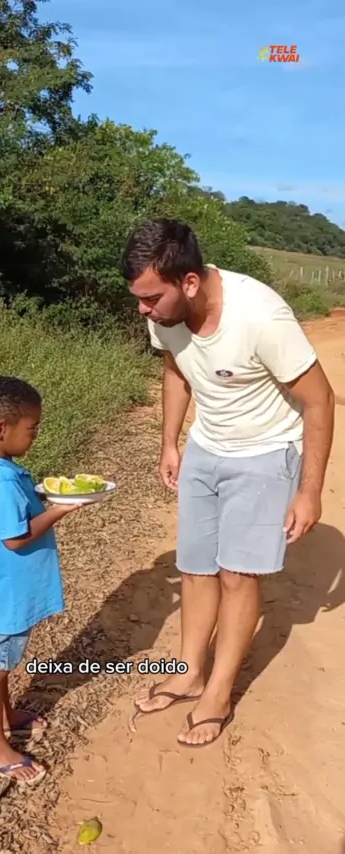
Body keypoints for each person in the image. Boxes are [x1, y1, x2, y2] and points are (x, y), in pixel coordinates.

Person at [121, 219, 335, 748]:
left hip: (266, 452)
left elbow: (319, 400)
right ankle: (190, 672)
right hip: (206, 447)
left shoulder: (260, 316)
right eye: (139, 298)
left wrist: (309, 490)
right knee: (195, 567)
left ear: (190, 282)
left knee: (238, 574)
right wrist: (170, 442)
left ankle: (218, 691)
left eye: (151, 298)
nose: (143, 310)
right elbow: (176, 369)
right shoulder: (165, 313)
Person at [0, 376, 81, 784]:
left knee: (2, 660)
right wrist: (61, 509)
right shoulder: (0, 481)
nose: (35, 435)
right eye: (32, 428)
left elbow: (8, 512)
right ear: (1, 428)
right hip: (10, 592)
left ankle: (6, 716)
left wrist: (40, 495)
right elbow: (15, 538)